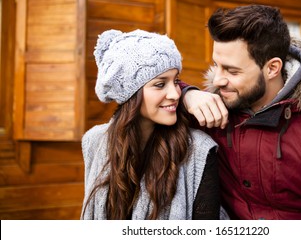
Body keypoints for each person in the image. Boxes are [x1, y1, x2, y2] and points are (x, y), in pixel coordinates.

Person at [181, 4, 301, 219]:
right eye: (216, 65)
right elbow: (145, 94)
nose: (217, 80)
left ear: (272, 68)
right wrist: (187, 94)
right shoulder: (211, 112)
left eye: (232, 71)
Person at [81, 29, 223, 220]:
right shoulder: (94, 142)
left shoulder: (198, 150)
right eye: (160, 84)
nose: (175, 94)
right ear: (130, 93)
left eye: (176, 81)